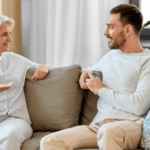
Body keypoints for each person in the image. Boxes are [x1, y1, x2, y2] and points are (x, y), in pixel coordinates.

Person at [40, 4, 150, 150]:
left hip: (131, 124)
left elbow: (139, 105)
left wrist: (101, 91)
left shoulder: (147, 60)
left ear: (128, 29)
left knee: (108, 132)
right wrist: (85, 72)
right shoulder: (109, 56)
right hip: (98, 126)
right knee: (49, 141)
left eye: (111, 27)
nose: (105, 32)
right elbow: (92, 69)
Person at [0, 15, 50, 150]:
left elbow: (41, 66)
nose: (9, 39)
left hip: (16, 121)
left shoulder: (15, 59)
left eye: (9, 34)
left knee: (11, 135)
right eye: (4, 35)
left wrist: (42, 67)